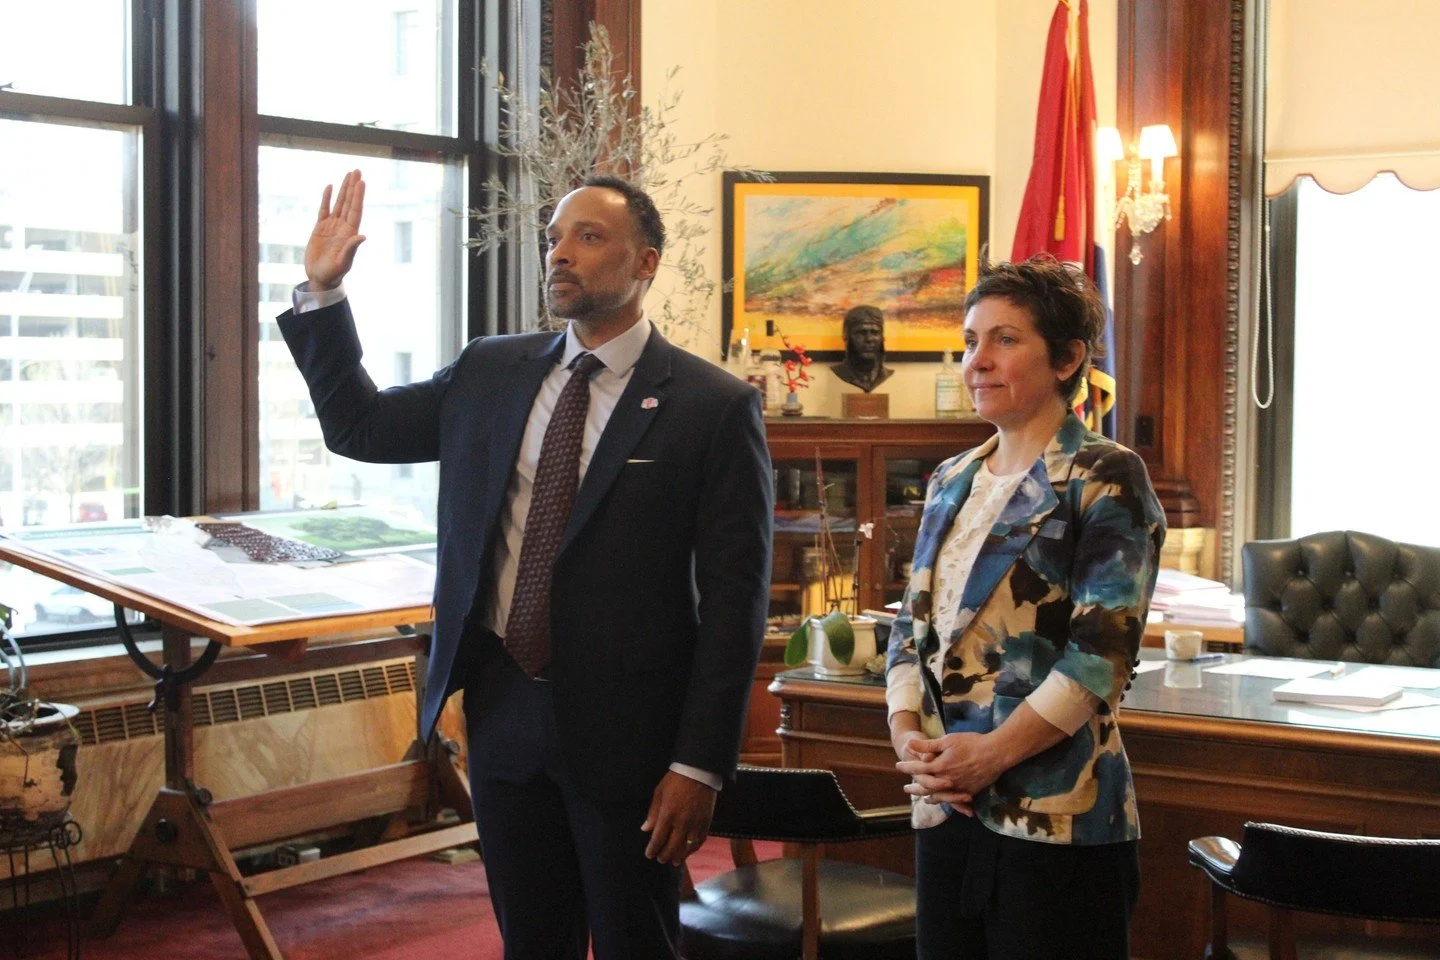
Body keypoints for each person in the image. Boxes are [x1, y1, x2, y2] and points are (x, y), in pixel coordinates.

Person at [279, 170, 774, 959]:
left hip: (631, 735)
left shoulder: (710, 406)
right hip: (504, 710)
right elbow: (360, 427)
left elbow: (735, 601)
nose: (560, 254)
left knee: (635, 943)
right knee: (531, 942)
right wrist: (324, 293)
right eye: (553, 238)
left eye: (588, 237)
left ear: (646, 261)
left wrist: (700, 763)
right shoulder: (491, 370)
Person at [885, 254, 1165, 959]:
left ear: (1067, 358)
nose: (977, 360)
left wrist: (991, 756)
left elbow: (1101, 657)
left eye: (1005, 339)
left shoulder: (1105, 474)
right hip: (945, 803)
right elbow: (910, 629)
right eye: (970, 340)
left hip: (1054, 817)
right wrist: (908, 740)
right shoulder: (951, 477)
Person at [829, 303, 893, 392]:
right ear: (846, 336)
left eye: (875, 332)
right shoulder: (839, 372)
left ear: (882, 337)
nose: (869, 339)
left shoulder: (886, 375)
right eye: (861, 333)